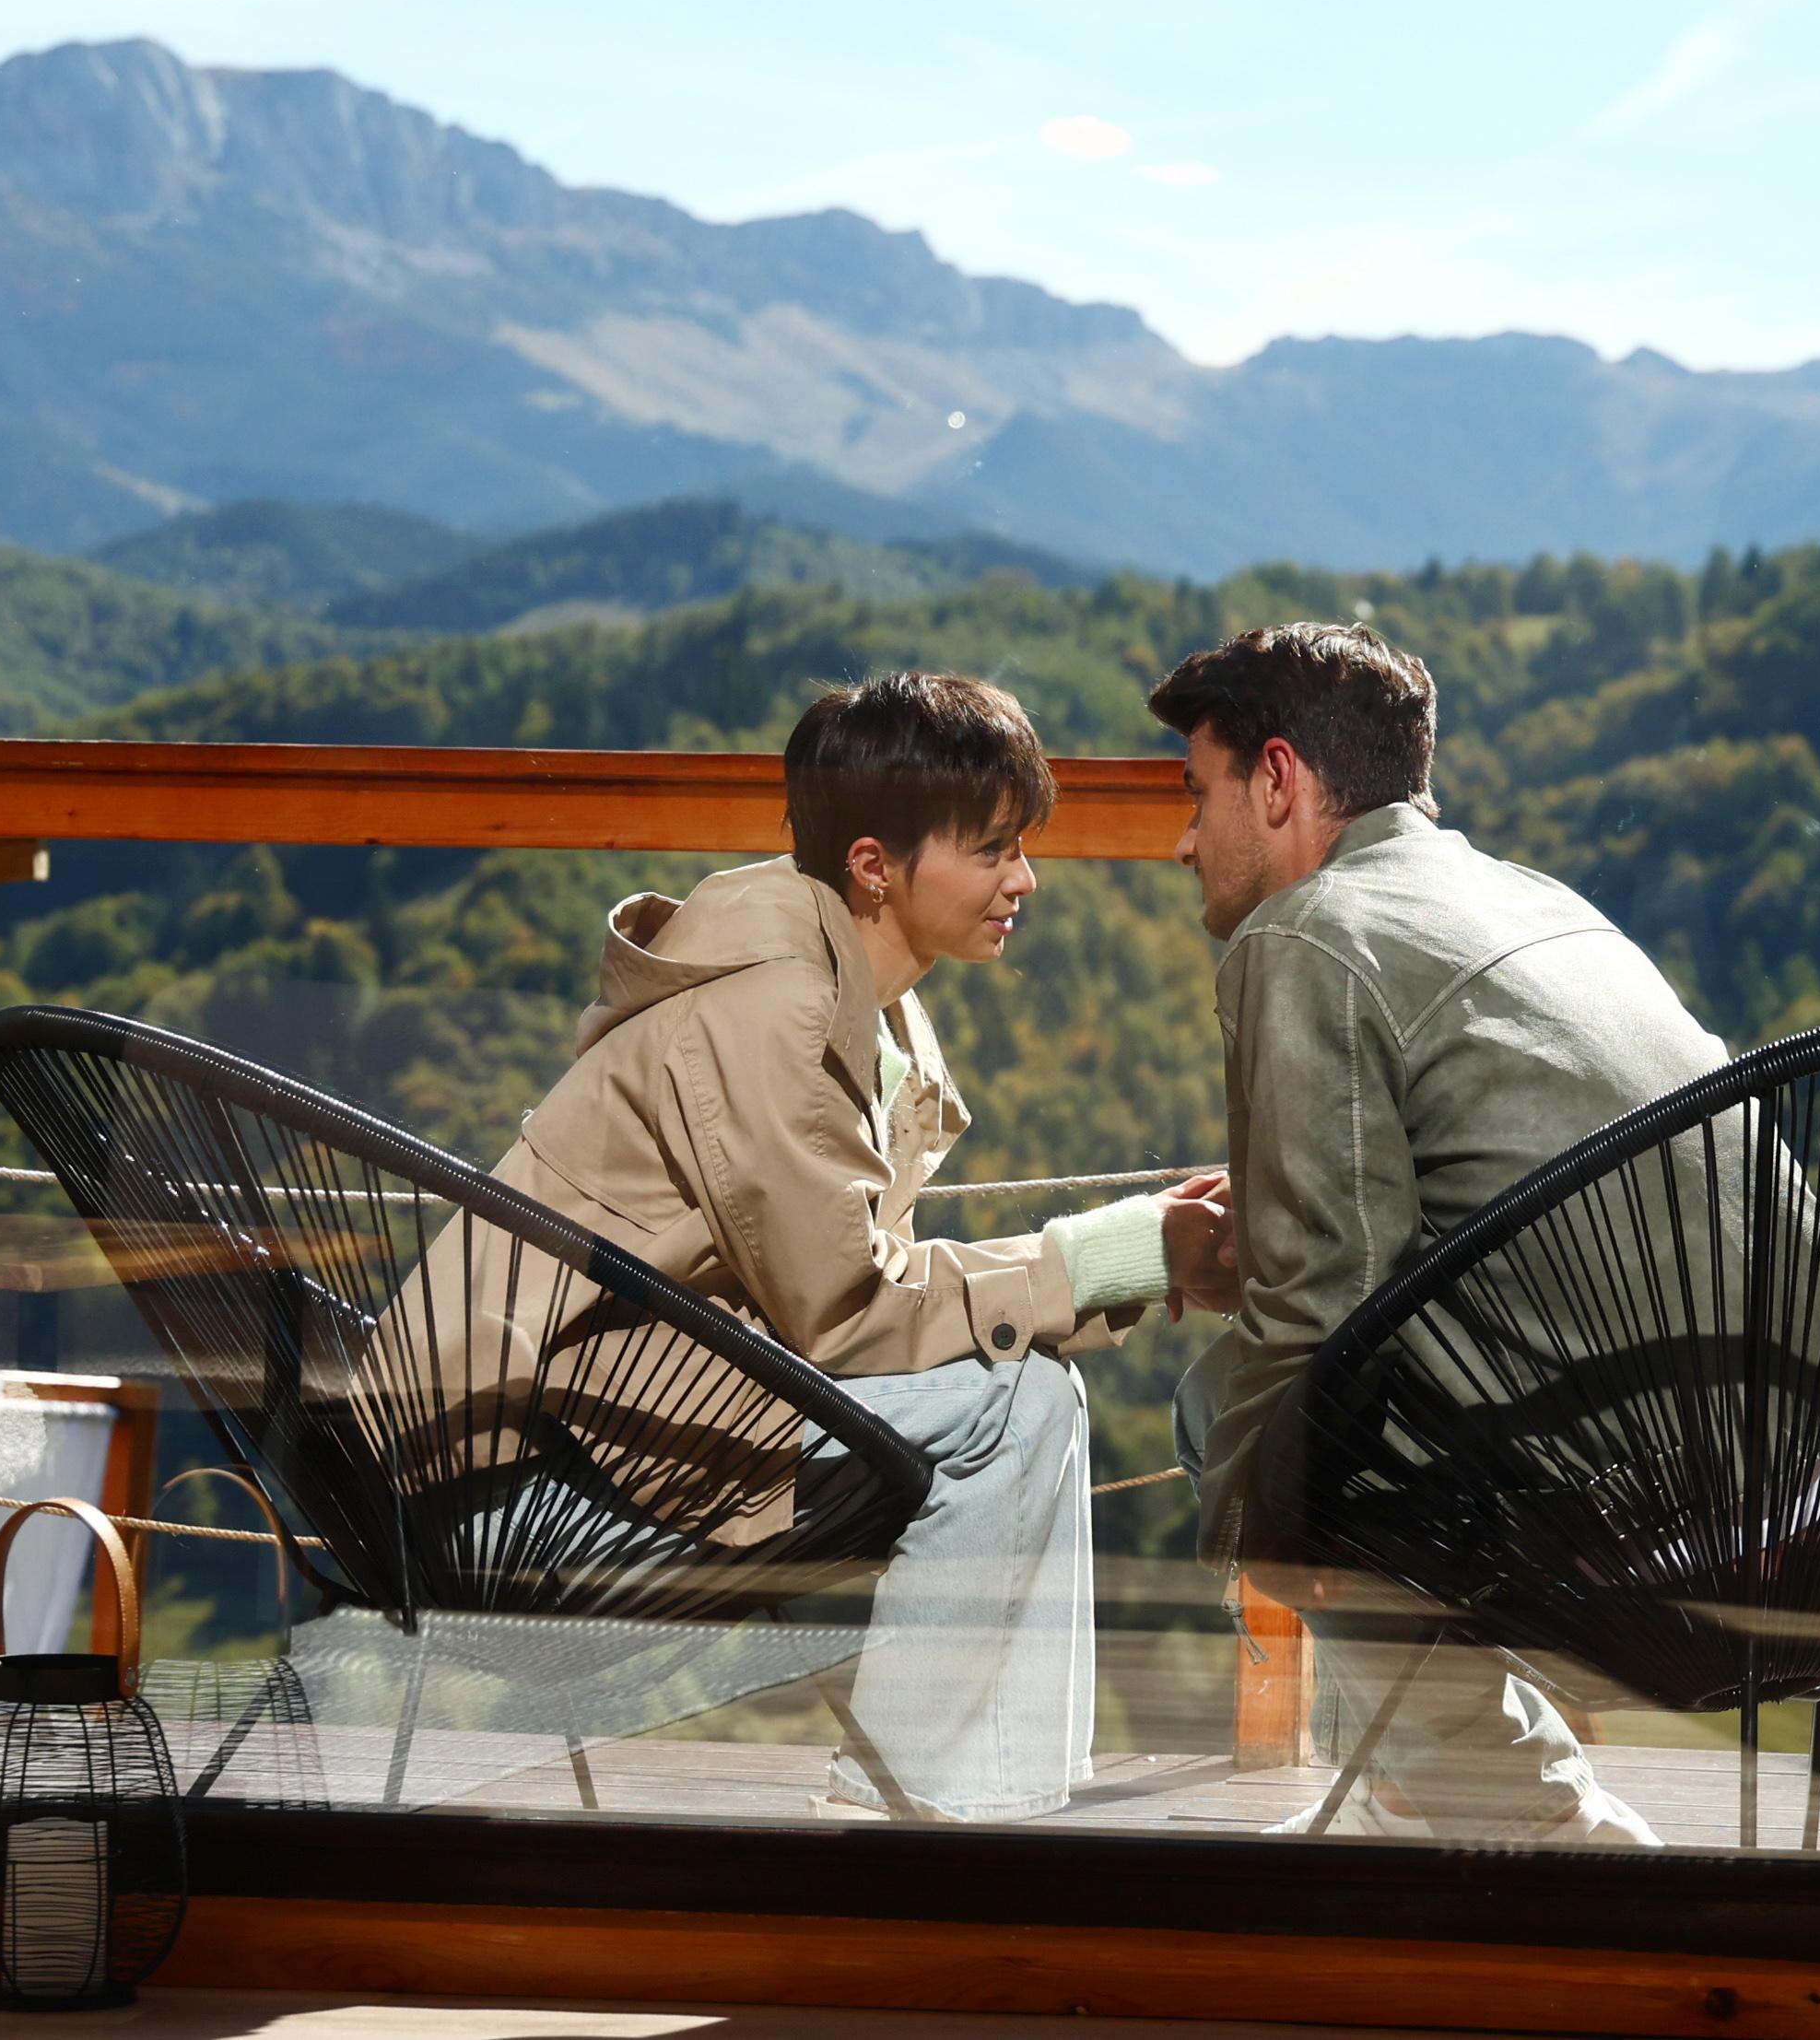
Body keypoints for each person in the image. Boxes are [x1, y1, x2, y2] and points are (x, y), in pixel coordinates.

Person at [413, 670, 1229, 1824]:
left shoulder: (850, 1000)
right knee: (1017, 1401)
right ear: (873, 864)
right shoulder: (777, 1013)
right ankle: (924, 1816)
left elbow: (843, 1301)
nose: (1025, 878)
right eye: (992, 849)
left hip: (590, 1426)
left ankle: (960, 1807)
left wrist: (1129, 1249)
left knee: (1024, 1389)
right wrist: (1123, 1251)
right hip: (512, 1491)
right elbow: (849, 1313)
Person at [1153, 620, 1741, 1847]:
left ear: (1277, 779)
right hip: (1816, 1465)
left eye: (1195, 792)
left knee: (1240, 1408)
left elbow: (1320, 1315)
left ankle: (1522, 1809)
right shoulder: (1537, 898)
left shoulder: (1303, 931)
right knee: (1327, 1415)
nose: (1181, 839)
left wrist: (1253, 1536)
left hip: (1635, 1498)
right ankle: (1413, 1792)